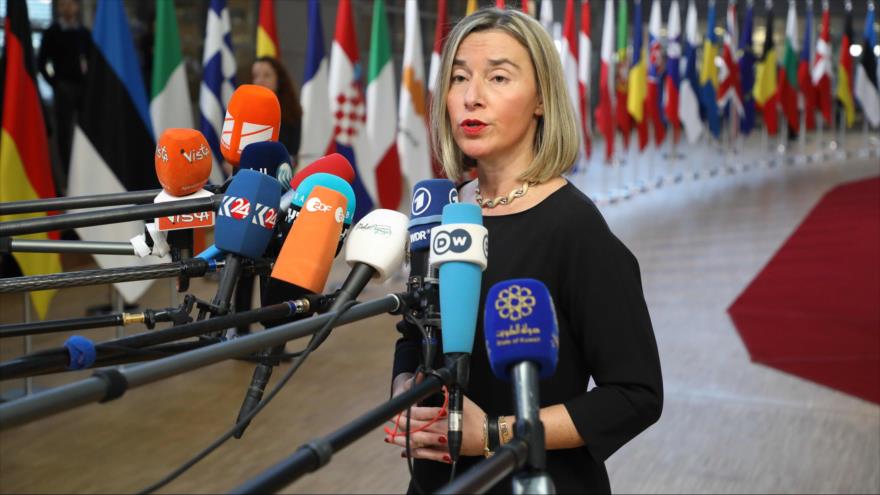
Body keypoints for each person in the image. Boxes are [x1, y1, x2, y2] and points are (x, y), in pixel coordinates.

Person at [384, 8, 663, 494]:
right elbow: (414, 331)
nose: (471, 96)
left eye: (498, 77)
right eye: (459, 77)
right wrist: (405, 387)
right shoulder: (442, 212)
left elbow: (635, 395)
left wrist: (496, 433)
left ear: (541, 100)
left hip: (537, 480)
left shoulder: (575, 227)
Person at [37, 0, 90, 192]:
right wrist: (55, 83)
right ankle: (68, 176)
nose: (68, 8)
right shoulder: (52, 32)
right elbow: (41, 62)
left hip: (83, 89)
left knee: (85, 130)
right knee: (64, 133)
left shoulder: (83, 32)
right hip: (63, 87)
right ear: (59, 8)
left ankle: (86, 170)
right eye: (63, 4)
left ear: (76, 7)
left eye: (71, 4)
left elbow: (91, 59)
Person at [250, 56, 303, 168]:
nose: (260, 81)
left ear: (279, 79)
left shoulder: (291, 110)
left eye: (267, 75)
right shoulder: (245, 108)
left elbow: (293, 152)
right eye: (256, 76)